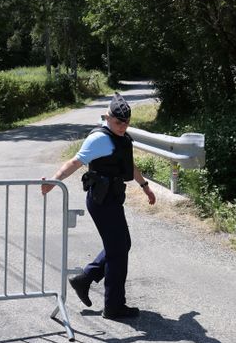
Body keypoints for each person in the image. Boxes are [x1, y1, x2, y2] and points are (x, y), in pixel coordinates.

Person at [41, 92, 156, 319]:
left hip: (113, 198)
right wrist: (54, 182)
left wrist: (145, 186)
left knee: (122, 245)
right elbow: (74, 162)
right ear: (107, 117)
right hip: (101, 201)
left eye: (126, 123)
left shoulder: (121, 137)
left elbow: (128, 165)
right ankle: (114, 306)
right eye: (118, 122)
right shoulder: (99, 139)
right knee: (118, 252)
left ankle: (85, 279)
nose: (122, 127)